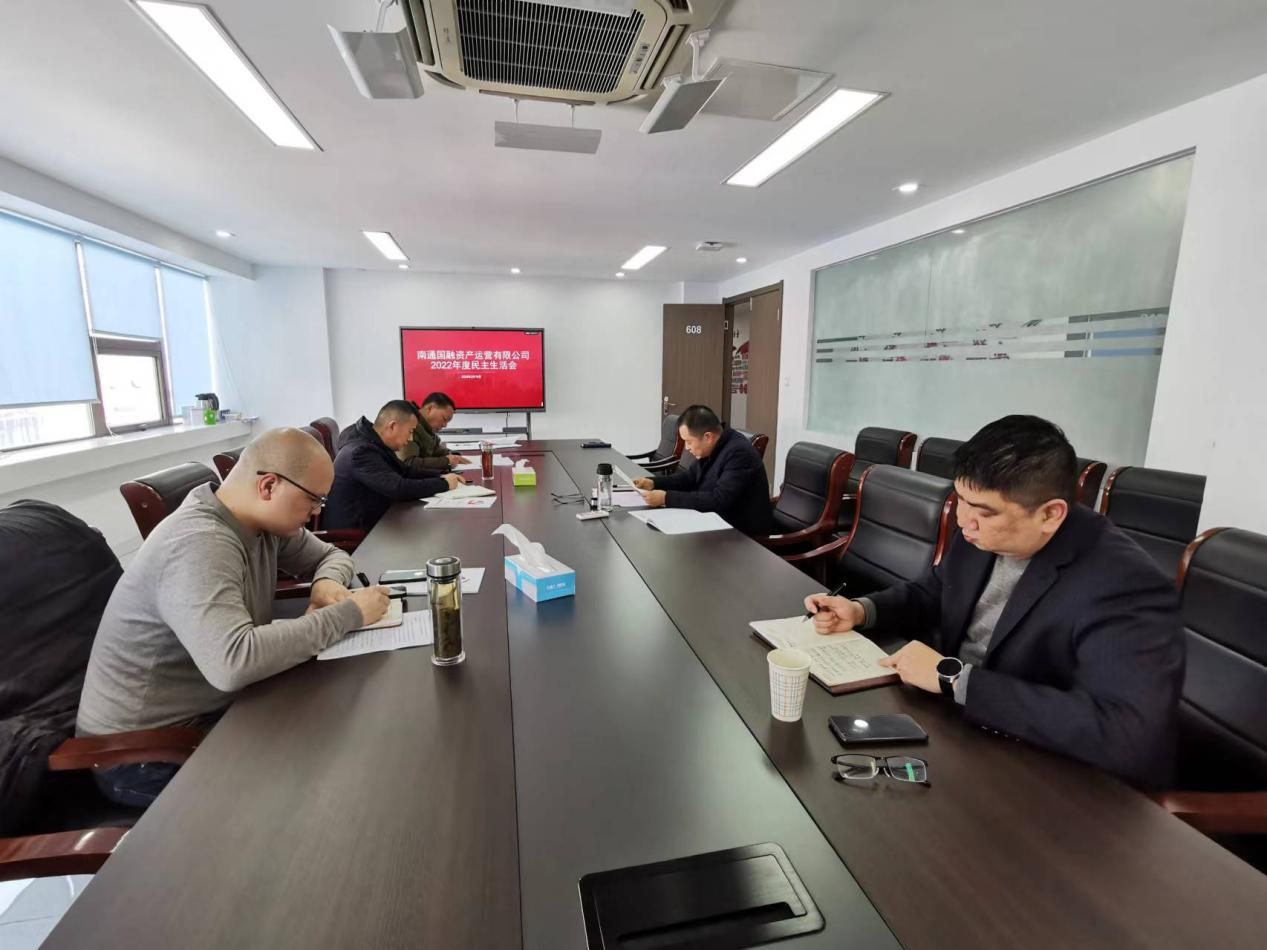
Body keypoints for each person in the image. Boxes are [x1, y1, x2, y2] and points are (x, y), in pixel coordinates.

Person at [805, 415, 1184, 789]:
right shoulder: (981, 531)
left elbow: (1126, 735)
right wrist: (862, 610)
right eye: (961, 499)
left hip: (1042, 772)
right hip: (954, 729)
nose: (963, 520)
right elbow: (936, 591)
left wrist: (954, 680)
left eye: (983, 511)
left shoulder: (1124, 584)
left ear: (1050, 514)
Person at [77, 428, 392, 806]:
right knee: (319, 788)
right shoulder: (199, 542)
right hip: (143, 751)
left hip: (214, 708)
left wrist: (325, 582)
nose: (317, 512)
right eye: (313, 499)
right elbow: (234, 661)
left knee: (348, 733)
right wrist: (349, 614)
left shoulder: (261, 521)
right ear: (269, 486)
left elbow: (332, 555)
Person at [633, 404, 773, 535]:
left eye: (689, 441)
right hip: (712, 522)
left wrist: (666, 498)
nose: (687, 448)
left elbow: (719, 500)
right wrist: (653, 483)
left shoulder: (739, 453)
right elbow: (689, 478)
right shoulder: (714, 446)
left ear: (708, 437)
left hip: (739, 534)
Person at [324, 400, 463, 531]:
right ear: (392, 426)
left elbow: (405, 471)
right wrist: (444, 484)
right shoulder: (361, 452)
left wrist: (441, 475)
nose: (410, 439)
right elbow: (398, 488)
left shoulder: (374, 443)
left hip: (378, 521)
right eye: (410, 431)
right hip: (357, 535)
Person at [400, 392, 471, 475]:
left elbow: (434, 450)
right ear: (430, 408)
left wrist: (451, 454)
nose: (445, 425)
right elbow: (409, 463)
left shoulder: (427, 429)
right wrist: (446, 461)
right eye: (444, 419)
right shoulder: (411, 426)